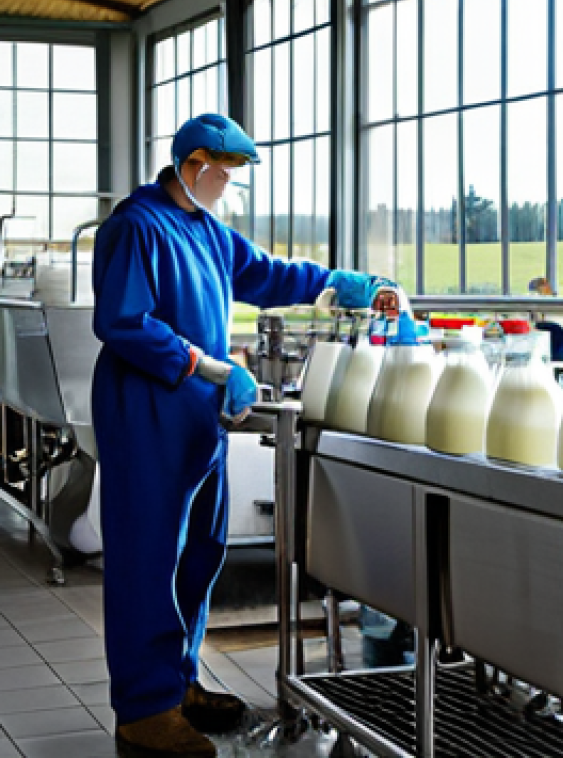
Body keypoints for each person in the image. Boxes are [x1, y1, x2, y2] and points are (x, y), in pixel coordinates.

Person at [91, 114, 400, 758]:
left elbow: (269, 275)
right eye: (223, 172)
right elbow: (123, 323)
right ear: (193, 165)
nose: (227, 184)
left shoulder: (207, 232)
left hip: (196, 418)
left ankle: (178, 683)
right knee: (148, 559)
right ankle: (144, 711)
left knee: (198, 555)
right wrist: (213, 367)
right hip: (145, 410)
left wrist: (338, 283)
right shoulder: (136, 226)